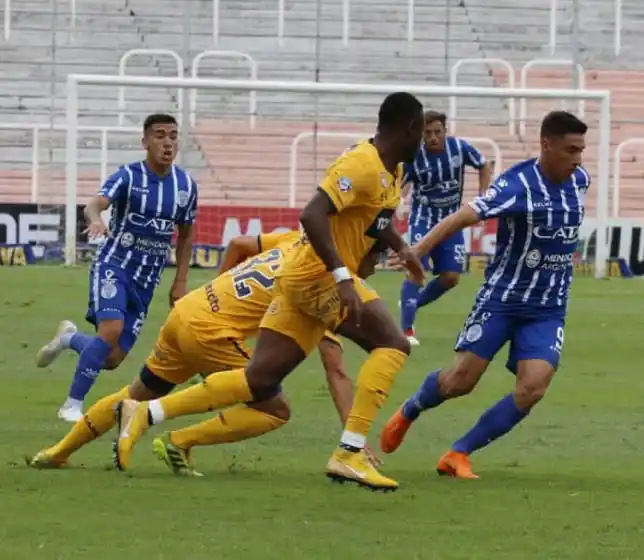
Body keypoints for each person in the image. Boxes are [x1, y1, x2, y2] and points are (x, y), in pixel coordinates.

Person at [111, 92, 427, 492]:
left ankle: (146, 413)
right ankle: (350, 452)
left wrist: (402, 248)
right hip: (318, 277)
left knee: (258, 379)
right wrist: (343, 277)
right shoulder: (360, 163)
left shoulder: (392, 169)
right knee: (393, 344)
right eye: (423, 133)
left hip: (301, 280)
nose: (424, 142)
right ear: (410, 128)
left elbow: (376, 221)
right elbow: (312, 214)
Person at [26, 231, 383, 474]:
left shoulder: (300, 239)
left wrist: (219, 288)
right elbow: (336, 370)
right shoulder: (327, 286)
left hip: (190, 308)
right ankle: (177, 439)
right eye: (377, 257)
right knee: (275, 408)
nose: (375, 266)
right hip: (213, 331)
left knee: (135, 391)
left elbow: (240, 243)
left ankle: (57, 452)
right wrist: (353, 441)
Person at [380, 111, 591, 479]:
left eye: (581, 150)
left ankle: (459, 452)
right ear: (547, 145)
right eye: (571, 150)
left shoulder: (580, 181)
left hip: (548, 308)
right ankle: (411, 409)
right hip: (502, 301)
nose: (578, 159)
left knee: (532, 388)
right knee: (459, 382)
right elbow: (464, 216)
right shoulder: (517, 185)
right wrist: (418, 249)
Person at [35, 113, 198, 423]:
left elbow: (186, 235)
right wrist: (96, 219)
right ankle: (71, 405)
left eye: (173, 136)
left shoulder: (186, 186)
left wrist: (180, 281)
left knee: (111, 357)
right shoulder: (128, 176)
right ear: (145, 141)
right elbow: (94, 204)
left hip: (146, 280)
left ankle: (69, 338)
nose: (167, 142)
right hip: (115, 265)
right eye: (160, 135)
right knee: (110, 330)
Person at [399, 110, 492, 346]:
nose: (433, 137)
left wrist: (483, 195)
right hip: (423, 220)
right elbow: (402, 183)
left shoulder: (459, 148)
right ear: (421, 134)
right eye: (427, 133)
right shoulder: (414, 155)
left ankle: (411, 303)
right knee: (416, 269)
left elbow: (483, 165)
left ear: (445, 131)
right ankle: (406, 330)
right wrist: (398, 201)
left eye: (437, 132)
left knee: (451, 277)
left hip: (451, 222)